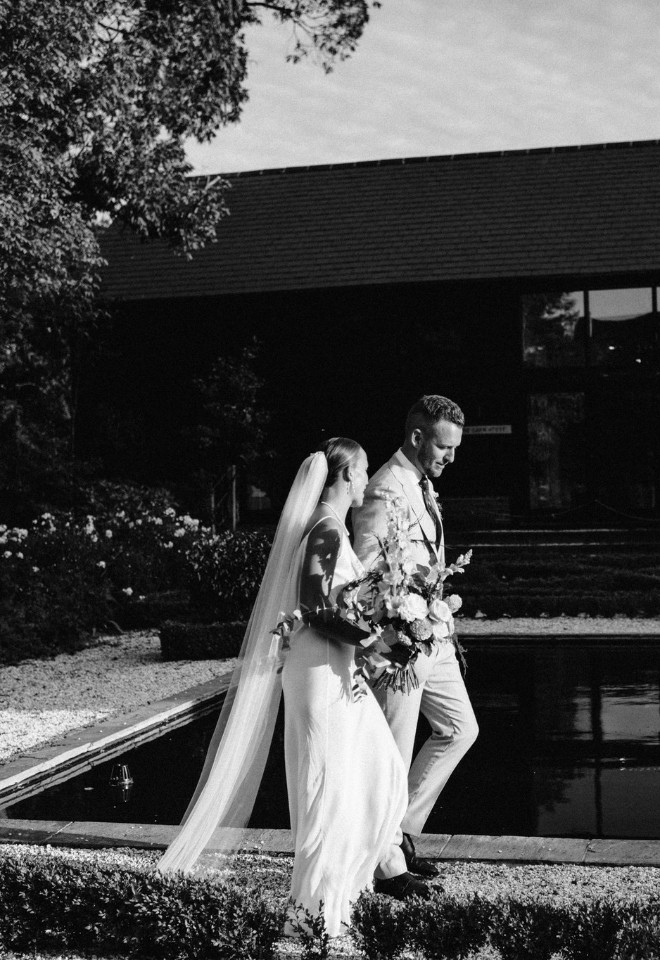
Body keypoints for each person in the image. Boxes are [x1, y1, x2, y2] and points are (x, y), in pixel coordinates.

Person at [157, 437, 429, 939]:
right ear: (345, 476)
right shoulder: (324, 532)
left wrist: (375, 636)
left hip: (334, 666)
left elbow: (336, 606)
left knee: (376, 767)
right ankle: (317, 908)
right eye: (364, 470)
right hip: (319, 673)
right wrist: (376, 635)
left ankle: (363, 875)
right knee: (328, 782)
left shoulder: (330, 530)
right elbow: (316, 608)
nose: (368, 481)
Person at [352, 396, 479, 878]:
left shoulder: (422, 484)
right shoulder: (385, 489)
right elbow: (365, 574)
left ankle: (399, 834)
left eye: (455, 449)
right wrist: (395, 636)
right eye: (444, 447)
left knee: (460, 729)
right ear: (417, 437)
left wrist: (436, 620)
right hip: (400, 645)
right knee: (393, 751)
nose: (451, 457)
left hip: (434, 637)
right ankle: (383, 864)